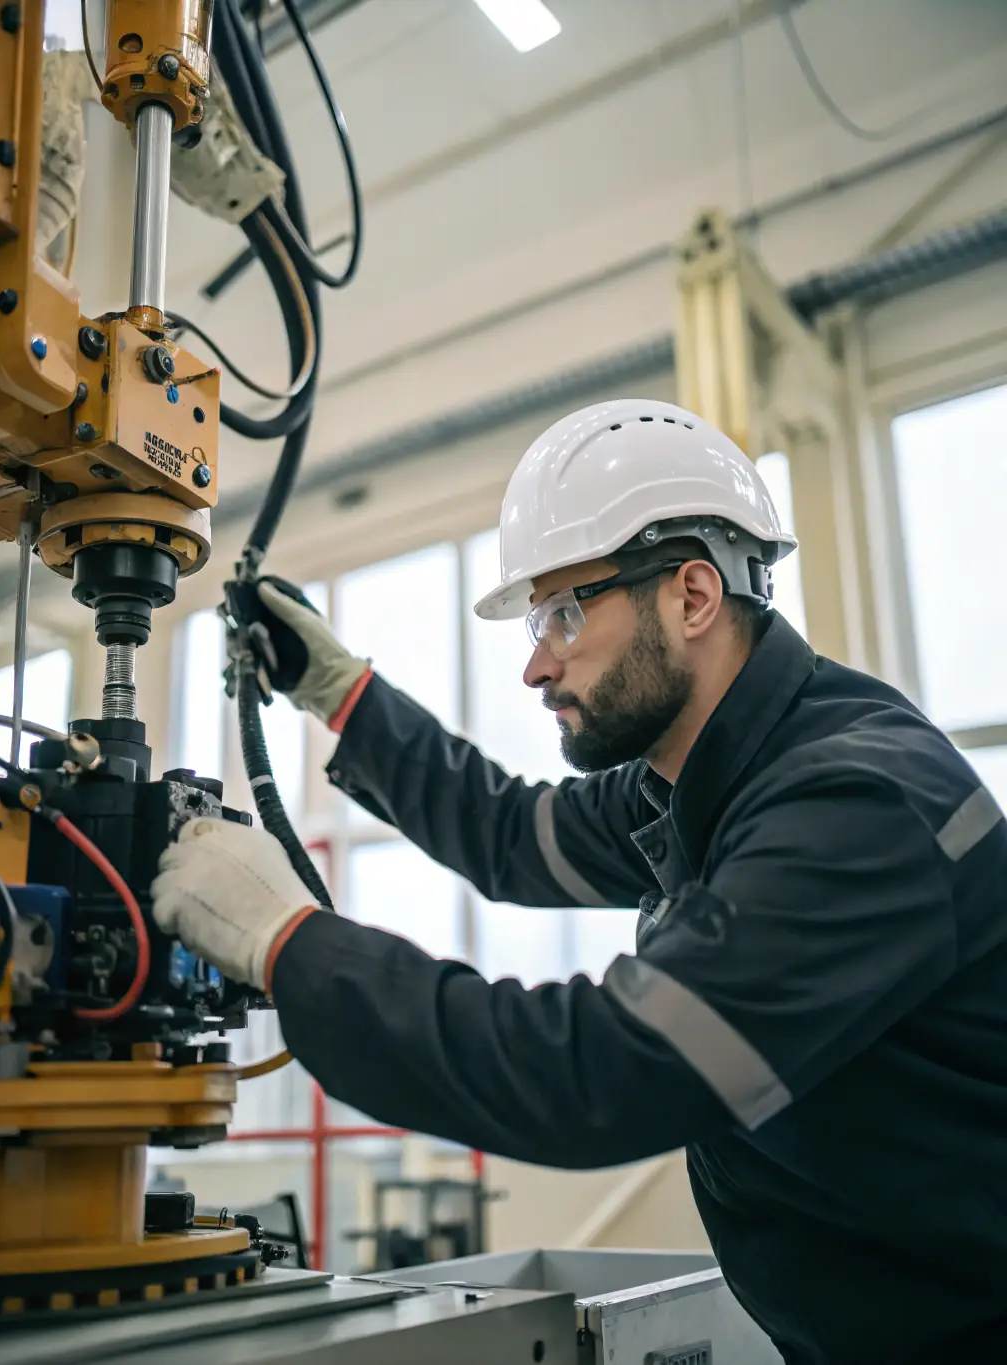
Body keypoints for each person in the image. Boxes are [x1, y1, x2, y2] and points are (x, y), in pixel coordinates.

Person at [153, 398, 1007, 1365]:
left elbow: (592, 1072)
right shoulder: (695, 781)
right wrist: (341, 693)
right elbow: (511, 835)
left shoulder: (855, 803)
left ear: (691, 596)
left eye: (562, 612)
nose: (534, 663)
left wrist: (286, 940)